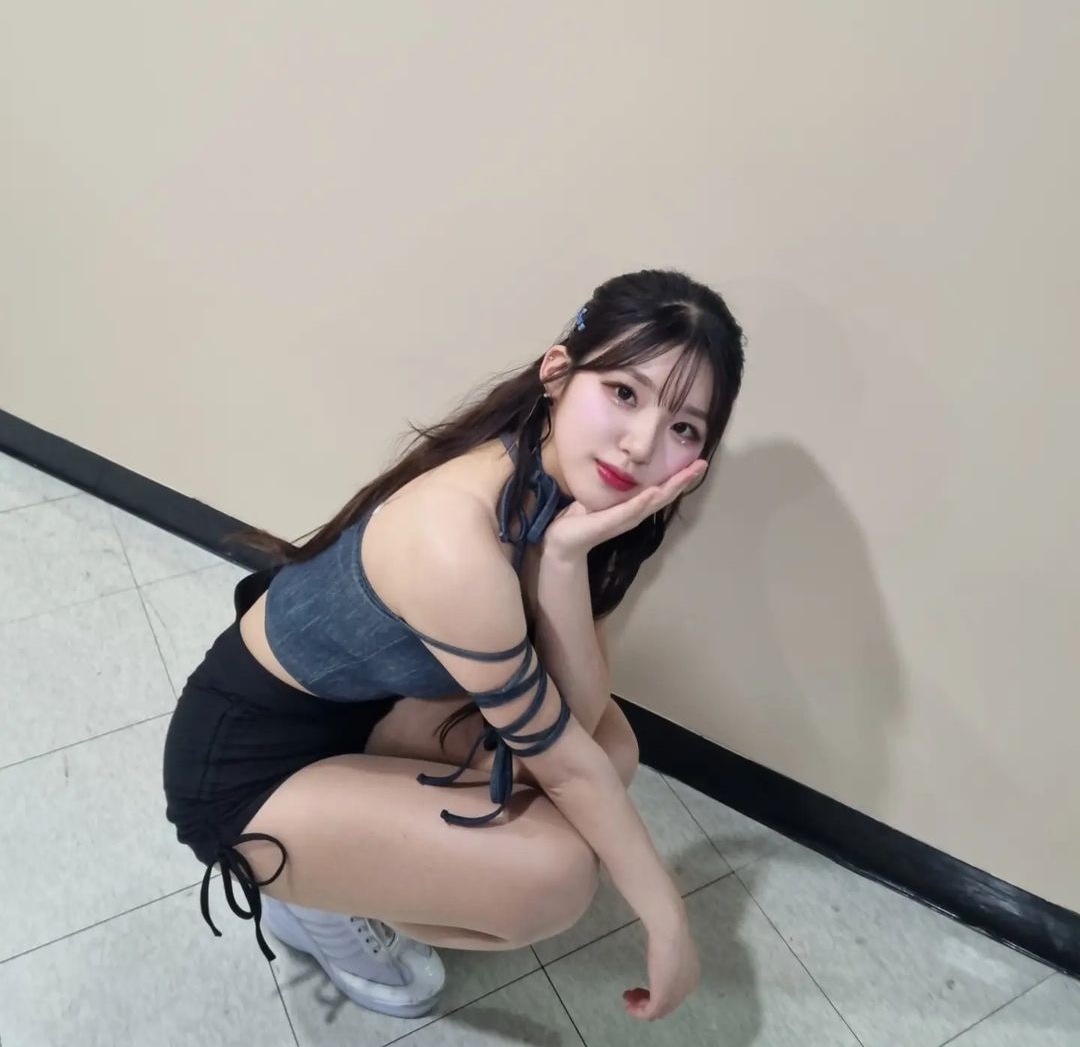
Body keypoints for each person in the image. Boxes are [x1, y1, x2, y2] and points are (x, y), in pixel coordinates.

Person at [162, 267, 745, 1023]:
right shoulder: (456, 536)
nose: (641, 446)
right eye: (624, 393)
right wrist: (669, 923)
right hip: (246, 774)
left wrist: (565, 560)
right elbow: (566, 765)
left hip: (360, 714)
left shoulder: (555, 492)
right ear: (558, 373)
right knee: (557, 878)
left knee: (614, 748)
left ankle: (345, 860)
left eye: (684, 428)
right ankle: (313, 903)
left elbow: (582, 714)